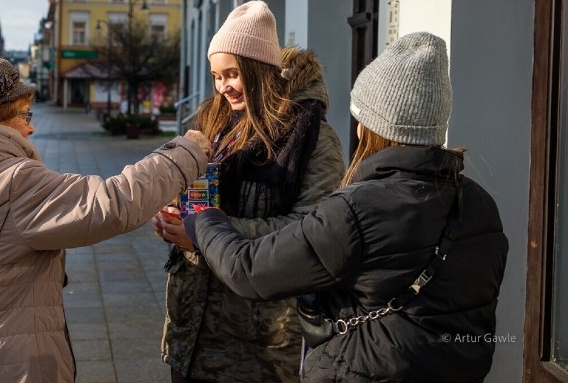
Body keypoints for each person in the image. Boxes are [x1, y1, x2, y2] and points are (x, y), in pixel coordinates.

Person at [177, 32, 509, 382]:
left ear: (372, 125)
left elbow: (249, 271)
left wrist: (202, 217)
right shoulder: (479, 203)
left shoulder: (357, 209)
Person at [0, 58, 211, 383]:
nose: (31, 127)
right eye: (24, 116)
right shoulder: (10, 182)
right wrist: (186, 153)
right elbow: (112, 202)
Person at [152, 0, 346, 382]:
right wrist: (175, 215)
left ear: (260, 70)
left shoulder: (313, 139)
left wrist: (205, 235)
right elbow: (197, 198)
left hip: (258, 342)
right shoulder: (216, 122)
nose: (223, 86)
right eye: (215, 75)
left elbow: (310, 231)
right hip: (191, 329)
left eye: (233, 73)